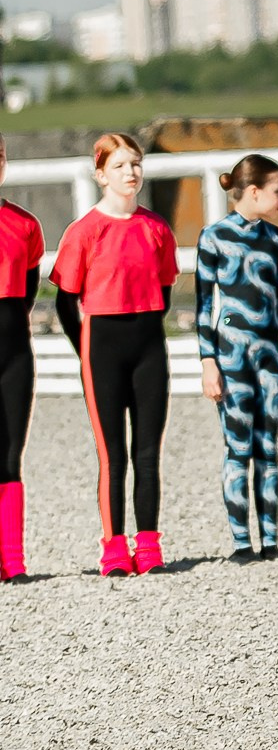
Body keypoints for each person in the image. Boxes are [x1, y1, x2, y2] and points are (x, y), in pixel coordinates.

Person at [51, 130, 181, 575]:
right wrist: (83, 347)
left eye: (135, 164)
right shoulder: (84, 231)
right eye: (120, 165)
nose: (131, 172)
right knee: (113, 455)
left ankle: (148, 545)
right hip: (102, 347)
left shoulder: (156, 228)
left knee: (148, 452)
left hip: (149, 344)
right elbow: (64, 299)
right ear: (101, 173)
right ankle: (113, 548)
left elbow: (164, 289)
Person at [194, 155, 278, 562]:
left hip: (270, 357)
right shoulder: (213, 237)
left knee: (268, 448)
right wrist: (208, 363)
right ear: (254, 191)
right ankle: (242, 542)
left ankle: (271, 540)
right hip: (231, 356)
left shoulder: (277, 240)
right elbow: (204, 306)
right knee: (237, 449)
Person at [0, 142, 44, 580]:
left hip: (14, 349)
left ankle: (12, 559)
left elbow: (28, 291)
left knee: (11, 454)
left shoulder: (24, 224)